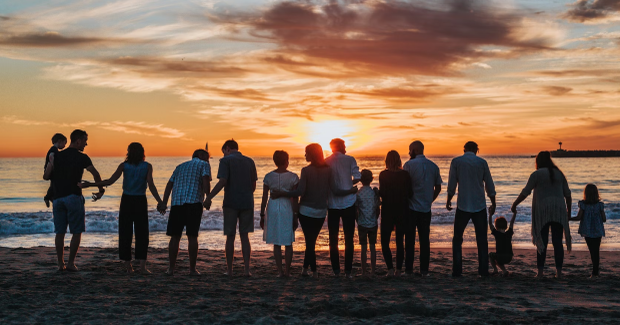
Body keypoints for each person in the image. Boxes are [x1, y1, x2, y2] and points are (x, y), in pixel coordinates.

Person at [272, 143, 355, 278]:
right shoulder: (328, 170)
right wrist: (350, 190)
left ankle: (314, 271)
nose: (305, 155)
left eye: (306, 152)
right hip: (321, 212)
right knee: (311, 241)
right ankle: (305, 269)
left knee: (309, 242)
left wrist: (282, 193)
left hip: (305, 211)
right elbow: (335, 190)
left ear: (312, 154)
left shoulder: (305, 170)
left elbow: (300, 191)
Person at [79, 142, 163, 274]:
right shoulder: (147, 166)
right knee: (142, 233)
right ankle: (142, 267)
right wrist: (160, 201)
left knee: (125, 232)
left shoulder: (124, 166)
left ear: (129, 152)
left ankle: (128, 266)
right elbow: (151, 185)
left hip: (127, 201)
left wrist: (91, 184)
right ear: (142, 153)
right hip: (140, 200)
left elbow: (110, 181)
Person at [43, 129, 105, 272]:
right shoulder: (82, 157)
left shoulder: (57, 155)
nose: (86, 144)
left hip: (58, 199)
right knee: (76, 232)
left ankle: (60, 264)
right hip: (73, 197)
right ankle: (70, 263)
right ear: (78, 141)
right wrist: (101, 191)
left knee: (60, 232)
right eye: (85, 141)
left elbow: (47, 175)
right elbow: (95, 174)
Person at [511, 151, 572, 279]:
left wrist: (515, 204)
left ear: (538, 161)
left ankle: (540, 273)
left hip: (542, 211)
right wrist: (568, 212)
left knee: (541, 241)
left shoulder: (537, 174)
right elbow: (568, 194)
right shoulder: (559, 174)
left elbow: (525, 192)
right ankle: (559, 273)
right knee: (557, 242)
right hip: (558, 210)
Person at [205, 140, 257, 278]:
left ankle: (230, 270)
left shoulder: (225, 161)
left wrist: (209, 197)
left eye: (224, 151)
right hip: (247, 202)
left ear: (227, 148)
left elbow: (222, 181)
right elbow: (253, 186)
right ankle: (246, 270)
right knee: (245, 236)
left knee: (230, 237)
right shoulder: (250, 161)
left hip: (231, 202)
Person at [447, 141, 496, 277]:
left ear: (464, 149)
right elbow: (489, 185)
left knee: (457, 239)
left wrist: (449, 199)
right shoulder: (482, 162)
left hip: (463, 205)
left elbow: (452, 183)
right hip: (479, 205)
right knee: (482, 239)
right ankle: (483, 270)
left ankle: (457, 270)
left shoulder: (456, 162)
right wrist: (493, 201)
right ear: (476, 150)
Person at [159, 149, 211, 276]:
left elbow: (169, 185)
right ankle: (192, 269)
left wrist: (164, 202)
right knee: (192, 236)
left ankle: (171, 269)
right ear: (200, 155)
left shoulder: (180, 166)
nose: (208, 159)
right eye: (207, 156)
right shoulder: (204, 164)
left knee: (175, 236)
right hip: (193, 203)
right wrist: (208, 197)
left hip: (177, 203)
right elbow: (205, 179)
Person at [403, 140, 442, 276]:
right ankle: (424, 270)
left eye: (410, 149)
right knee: (425, 240)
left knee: (410, 240)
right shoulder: (433, 166)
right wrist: (430, 200)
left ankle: (409, 270)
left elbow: (404, 186)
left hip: (411, 208)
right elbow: (438, 187)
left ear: (416, 150)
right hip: (426, 208)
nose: (409, 152)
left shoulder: (408, 165)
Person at [325, 138, 361, 278]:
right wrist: (348, 184)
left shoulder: (326, 161)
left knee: (333, 238)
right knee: (349, 238)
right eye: (344, 145)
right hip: (348, 203)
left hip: (332, 204)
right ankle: (348, 271)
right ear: (341, 146)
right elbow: (357, 177)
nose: (346, 147)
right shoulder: (350, 159)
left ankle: (336, 271)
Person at [259, 150, 299, 278]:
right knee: (288, 241)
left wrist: (262, 214)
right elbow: (295, 197)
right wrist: (295, 214)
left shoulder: (268, 176)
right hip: (287, 207)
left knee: (277, 241)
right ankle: (287, 271)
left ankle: (280, 272)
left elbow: (264, 196)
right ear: (287, 161)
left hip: (273, 207)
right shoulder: (293, 177)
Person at [379, 150, 413, 277]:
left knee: (385, 242)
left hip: (388, 210)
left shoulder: (383, 175)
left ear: (387, 161)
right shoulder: (405, 175)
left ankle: (390, 270)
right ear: (399, 160)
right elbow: (410, 194)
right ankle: (399, 270)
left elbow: (382, 193)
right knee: (400, 242)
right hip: (403, 210)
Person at [570, 184, 606, 278]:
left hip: (587, 231)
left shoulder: (583, 205)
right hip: (598, 230)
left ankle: (594, 273)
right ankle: (595, 272)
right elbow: (604, 219)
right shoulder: (600, 205)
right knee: (596, 251)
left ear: (585, 193)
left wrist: (569, 218)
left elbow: (579, 217)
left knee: (592, 251)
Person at [355, 169, 380, 277]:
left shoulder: (358, 193)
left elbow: (356, 209)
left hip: (362, 223)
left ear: (360, 180)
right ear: (371, 179)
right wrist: (375, 218)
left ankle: (364, 271)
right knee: (373, 247)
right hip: (373, 223)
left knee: (363, 248)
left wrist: (358, 220)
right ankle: (373, 271)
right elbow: (377, 208)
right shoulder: (373, 193)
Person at [44, 133, 67, 208]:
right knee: (54, 184)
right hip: (51, 170)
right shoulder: (54, 149)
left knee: (53, 184)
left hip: (51, 169)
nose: (64, 146)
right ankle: (48, 197)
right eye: (64, 143)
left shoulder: (53, 149)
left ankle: (49, 197)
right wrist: (53, 165)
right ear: (60, 141)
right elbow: (51, 156)